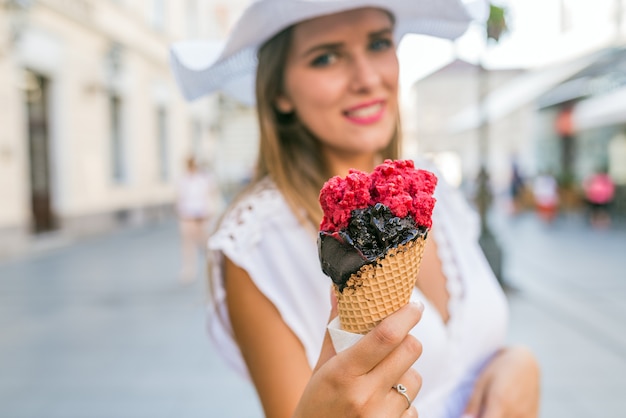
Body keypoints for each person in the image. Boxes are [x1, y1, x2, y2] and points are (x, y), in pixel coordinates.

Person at [170, 1, 540, 417]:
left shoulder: (432, 189)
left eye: (379, 43)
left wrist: (519, 363)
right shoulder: (256, 240)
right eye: (326, 57)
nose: (367, 78)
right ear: (279, 92)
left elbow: (471, 348)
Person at [176, 156, 217, 283]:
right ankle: (189, 270)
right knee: (188, 242)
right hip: (187, 215)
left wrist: (209, 212)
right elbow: (180, 197)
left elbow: (211, 195)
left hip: (201, 215)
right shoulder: (183, 180)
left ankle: (213, 259)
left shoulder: (204, 179)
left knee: (203, 240)